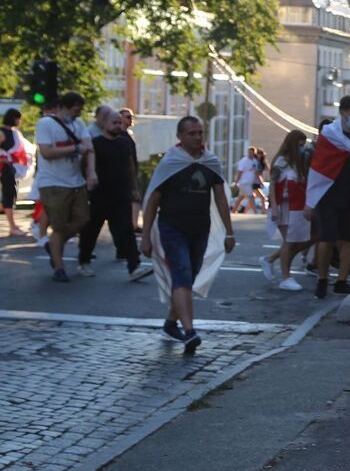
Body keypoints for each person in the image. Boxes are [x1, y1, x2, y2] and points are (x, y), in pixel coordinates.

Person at [140, 117, 236, 354]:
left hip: (199, 228)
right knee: (181, 273)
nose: (197, 137)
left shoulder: (210, 162)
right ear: (180, 137)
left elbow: (221, 197)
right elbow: (153, 199)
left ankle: (171, 325)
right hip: (172, 227)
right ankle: (190, 332)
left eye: (200, 132)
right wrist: (145, 235)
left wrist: (228, 231)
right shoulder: (171, 162)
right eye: (192, 133)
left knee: (189, 277)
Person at [305, 96, 350, 298]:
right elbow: (319, 167)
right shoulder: (329, 134)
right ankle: (322, 279)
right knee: (327, 237)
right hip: (329, 193)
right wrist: (310, 201)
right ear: (342, 112)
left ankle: (341, 280)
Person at [78, 106, 152, 281]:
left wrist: (134, 189)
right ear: (104, 124)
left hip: (121, 194)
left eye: (120, 122)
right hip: (100, 194)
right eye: (114, 122)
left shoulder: (125, 142)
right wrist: (88, 182)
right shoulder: (96, 143)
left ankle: (134, 267)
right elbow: (86, 165)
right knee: (91, 229)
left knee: (126, 230)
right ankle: (84, 261)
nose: (118, 125)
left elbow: (130, 166)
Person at [35, 92, 96, 282]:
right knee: (60, 226)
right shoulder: (46, 124)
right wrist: (74, 149)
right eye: (75, 109)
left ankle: (54, 246)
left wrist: (91, 172)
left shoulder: (78, 124)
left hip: (76, 181)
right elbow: (46, 152)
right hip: (53, 182)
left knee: (83, 219)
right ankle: (59, 267)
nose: (78, 113)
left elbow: (89, 147)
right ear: (64, 107)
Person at [261, 130, 310, 291]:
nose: (303, 148)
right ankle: (286, 277)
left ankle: (270, 259)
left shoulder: (298, 162)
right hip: (284, 207)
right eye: (300, 145)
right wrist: (274, 207)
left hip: (296, 206)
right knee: (289, 241)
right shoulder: (281, 161)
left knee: (302, 240)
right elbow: (273, 185)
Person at [1, 109, 30, 236]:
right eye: (18, 118)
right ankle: (12, 227)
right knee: (8, 195)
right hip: (4, 168)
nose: (19, 121)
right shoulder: (2, 132)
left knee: (10, 195)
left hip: (10, 168)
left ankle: (13, 225)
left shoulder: (14, 133)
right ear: (13, 118)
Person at [119, 108, 143, 232]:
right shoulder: (120, 135)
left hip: (130, 172)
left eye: (131, 117)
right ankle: (131, 225)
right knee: (133, 198)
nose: (130, 119)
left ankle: (132, 224)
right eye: (127, 116)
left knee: (134, 199)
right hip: (125, 173)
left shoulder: (128, 135)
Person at [232, 147, 260, 214]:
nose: (250, 154)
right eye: (249, 152)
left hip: (249, 183)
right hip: (244, 182)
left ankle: (233, 211)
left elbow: (256, 172)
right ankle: (255, 212)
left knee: (241, 197)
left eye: (251, 152)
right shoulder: (244, 161)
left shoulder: (254, 161)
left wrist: (259, 181)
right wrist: (236, 181)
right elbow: (240, 172)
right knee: (251, 196)